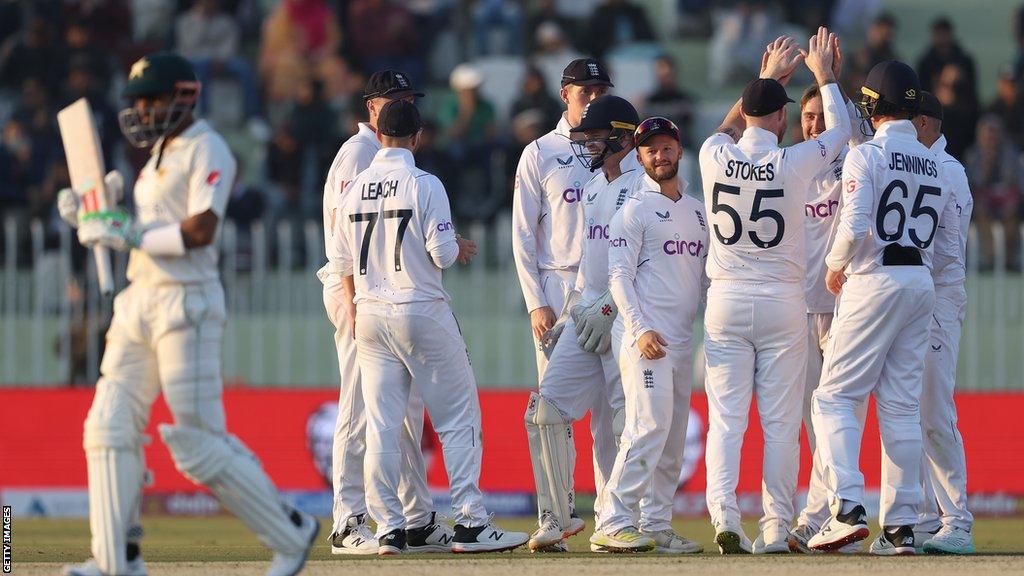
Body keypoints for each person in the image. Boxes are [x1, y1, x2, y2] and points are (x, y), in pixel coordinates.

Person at [57, 52, 317, 576]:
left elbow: (200, 231)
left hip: (187, 304)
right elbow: (152, 230)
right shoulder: (156, 156)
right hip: (139, 301)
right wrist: (99, 215)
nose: (143, 110)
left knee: (196, 441)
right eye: (137, 101)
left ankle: (291, 533)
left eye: (152, 98)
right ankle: (116, 560)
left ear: (183, 95)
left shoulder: (208, 147)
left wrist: (125, 230)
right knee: (108, 427)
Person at [329, 99, 529, 554]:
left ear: (378, 135)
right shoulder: (424, 182)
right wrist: (456, 247)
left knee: (382, 423)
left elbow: (340, 260)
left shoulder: (355, 186)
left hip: (370, 311)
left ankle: (389, 528)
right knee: (458, 418)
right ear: (417, 137)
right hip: (419, 306)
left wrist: (357, 308)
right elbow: (441, 253)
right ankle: (472, 523)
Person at [698, 29, 850, 554]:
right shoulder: (794, 163)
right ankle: (774, 525)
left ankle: (724, 516)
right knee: (782, 425)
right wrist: (824, 76)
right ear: (784, 119)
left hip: (725, 301)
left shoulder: (712, 154)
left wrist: (764, 80)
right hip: (783, 301)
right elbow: (841, 130)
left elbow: (725, 126)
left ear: (745, 111)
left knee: (728, 421)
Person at [808, 60, 959, 556]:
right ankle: (900, 527)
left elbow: (853, 224)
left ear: (873, 106)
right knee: (899, 407)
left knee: (832, 397)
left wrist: (834, 265)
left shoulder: (867, 155)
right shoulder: (937, 162)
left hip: (875, 277)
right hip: (920, 279)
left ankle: (847, 507)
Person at [318, 69, 450, 555]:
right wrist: (352, 301)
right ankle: (347, 518)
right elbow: (345, 239)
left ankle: (416, 517)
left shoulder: (383, 156)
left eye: (407, 99)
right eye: (393, 99)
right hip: (358, 290)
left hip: (380, 291)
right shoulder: (360, 153)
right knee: (359, 406)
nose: (401, 106)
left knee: (403, 411)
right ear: (371, 106)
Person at [523, 95, 641, 552]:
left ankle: (624, 519)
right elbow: (590, 266)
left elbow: (646, 264)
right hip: (584, 311)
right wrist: (572, 310)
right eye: (585, 138)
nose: (587, 146)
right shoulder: (594, 188)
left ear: (623, 138)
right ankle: (557, 516)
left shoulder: (646, 187)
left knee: (626, 419)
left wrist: (610, 305)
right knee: (546, 409)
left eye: (596, 138)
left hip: (625, 317)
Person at [590, 117, 706, 554]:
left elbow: (703, 278)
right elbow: (618, 276)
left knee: (673, 438)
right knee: (648, 424)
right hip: (645, 339)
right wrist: (638, 329)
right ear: (639, 158)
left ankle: (656, 522)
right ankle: (613, 519)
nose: (660, 156)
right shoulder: (634, 210)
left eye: (666, 147)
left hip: (680, 340)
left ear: (679, 150)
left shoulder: (696, 211)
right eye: (650, 150)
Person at [511, 57, 611, 550]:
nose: (592, 98)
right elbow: (522, 235)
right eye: (583, 91)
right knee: (554, 407)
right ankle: (556, 515)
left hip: (608, 289)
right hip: (556, 286)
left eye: (599, 90)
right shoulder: (540, 152)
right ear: (564, 94)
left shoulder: (619, 149)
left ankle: (614, 518)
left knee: (613, 409)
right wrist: (535, 302)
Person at [787, 42, 873, 555]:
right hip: (798, 309)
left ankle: (824, 514)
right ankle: (822, 515)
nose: (815, 126)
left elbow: (850, 129)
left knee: (834, 414)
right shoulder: (789, 168)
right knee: (813, 418)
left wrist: (826, 80)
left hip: (845, 306)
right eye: (807, 118)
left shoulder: (853, 160)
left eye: (821, 116)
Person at [912, 92, 975, 555]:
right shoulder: (919, 165)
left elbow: (948, 253)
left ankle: (957, 520)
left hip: (937, 296)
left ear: (928, 125)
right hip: (916, 293)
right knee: (906, 411)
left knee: (933, 410)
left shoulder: (946, 169)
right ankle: (922, 519)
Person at [964, 115, 1023, 271]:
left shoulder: (1011, 153)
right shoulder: (972, 155)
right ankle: (990, 259)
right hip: (984, 202)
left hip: (1007, 200)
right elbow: (973, 184)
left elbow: (1016, 182)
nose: (991, 138)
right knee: (981, 214)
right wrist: (986, 163)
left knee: (1013, 218)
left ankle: (1008, 260)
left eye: (994, 133)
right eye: (987, 134)